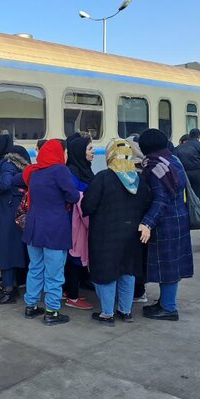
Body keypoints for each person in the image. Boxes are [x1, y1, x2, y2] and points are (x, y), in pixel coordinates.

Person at [82, 139, 152, 325]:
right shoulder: (139, 180)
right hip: (131, 236)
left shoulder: (103, 178)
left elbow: (87, 206)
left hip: (105, 236)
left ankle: (107, 314)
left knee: (106, 273)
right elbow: (147, 204)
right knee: (127, 272)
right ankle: (126, 311)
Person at [17, 139, 80, 325]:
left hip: (34, 229)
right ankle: (51, 311)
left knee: (35, 268)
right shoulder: (60, 170)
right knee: (54, 272)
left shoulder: (35, 172)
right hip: (54, 229)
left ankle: (31, 306)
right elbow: (73, 196)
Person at [138, 129, 194, 321]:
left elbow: (160, 199)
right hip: (179, 217)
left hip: (165, 222)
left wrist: (147, 222)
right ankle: (164, 302)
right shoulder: (173, 160)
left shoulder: (154, 168)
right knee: (171, 263)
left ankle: (169, 308)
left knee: (167, 265)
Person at [0, 135, 29, 305]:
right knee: (10, 249)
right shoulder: (10, 163)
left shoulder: (6, 164)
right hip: (9, 210)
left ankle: (8, 290)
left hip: (5, 212)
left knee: (4, 250)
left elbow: (5, 183)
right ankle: (11, 287)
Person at [63, 134, 95, 310]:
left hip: (80, 220)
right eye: (89, 149)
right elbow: (76, 196)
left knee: (75, 256)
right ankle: (72, 297)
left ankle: (70, 291)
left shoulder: (81, 168)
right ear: (80, 152)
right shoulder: (73, 172)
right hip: (76, 222)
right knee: (75, 256)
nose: (93, 152)